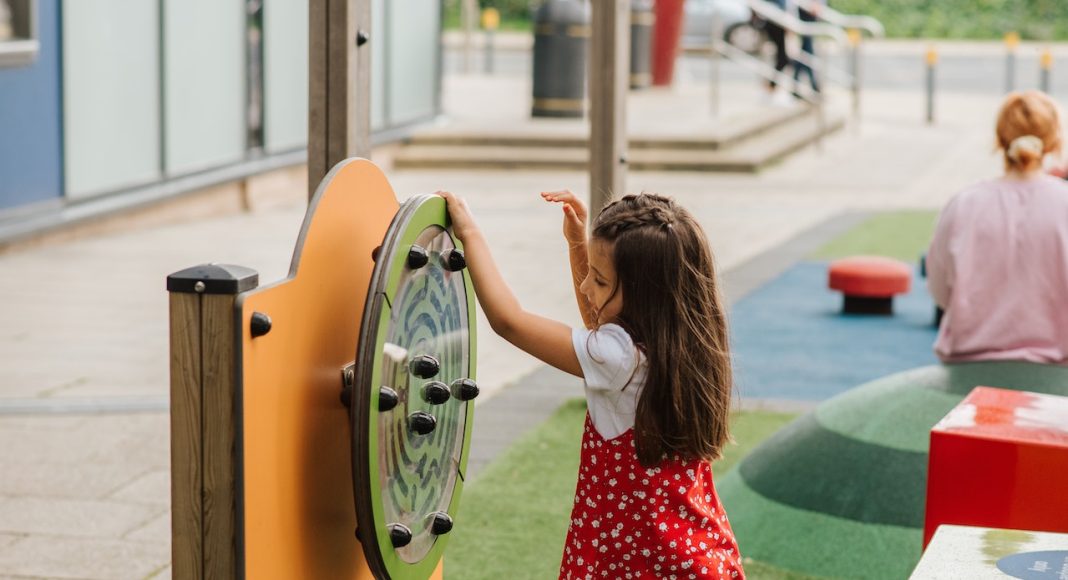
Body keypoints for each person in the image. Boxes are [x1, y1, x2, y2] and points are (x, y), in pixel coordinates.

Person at [441, 190, 744, 578]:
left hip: (639, 562)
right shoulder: (687, 343)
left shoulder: (618, 358)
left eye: (599, 282)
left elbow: (509, 321)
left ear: (642, 298)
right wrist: (576, 244)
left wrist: (469, 233)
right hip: (693, 551)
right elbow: (600, 325)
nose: (585, 288)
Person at [926, 90, 1068, 366]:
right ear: (1053, 143)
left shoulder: (964, 204)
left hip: (968, 366)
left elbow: (940, 292)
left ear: (1000, 141)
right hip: (1056, 368)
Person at [792, 0, 824, 96]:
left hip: (809, 12)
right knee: (808, 49)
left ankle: (797, 83)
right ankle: (813, 85)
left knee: (806, 50)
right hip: (805, 11)